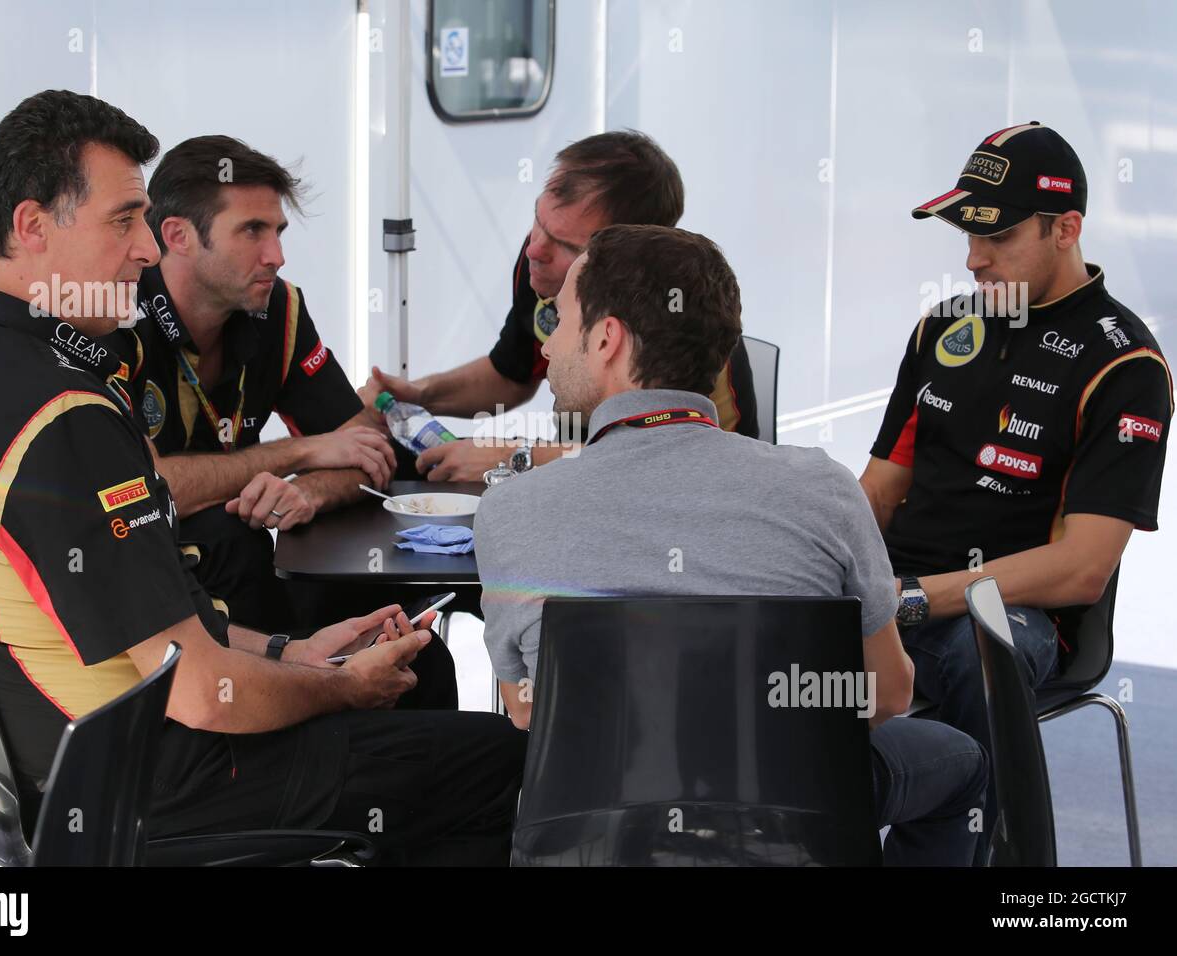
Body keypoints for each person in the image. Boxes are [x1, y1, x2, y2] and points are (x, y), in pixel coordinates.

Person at [0, 89, 524, 865]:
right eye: (122, 221)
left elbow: (156, 638)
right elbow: (197, 691)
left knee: (418, 688)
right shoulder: (65, 414)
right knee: (498, 759)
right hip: (146, 790)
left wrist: (299, 652)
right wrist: (343, 686)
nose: (147, 250)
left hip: (58, 777)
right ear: (30, 227)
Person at [474, 224, 987, 866]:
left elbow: (530, 716)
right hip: (791, 836)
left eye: (562, 321)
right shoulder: (824, 491)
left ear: (607, 340)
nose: (547, 345)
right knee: (964, 760)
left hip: (595, 842)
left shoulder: (511, 511)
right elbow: (887, 694)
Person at [862, 122, 1172, 857]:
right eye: (966, 236)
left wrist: (912, 596)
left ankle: (986, 855)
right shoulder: (944, 328)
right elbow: (876, 492)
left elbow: (1082, 568)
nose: (973, 260)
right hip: (901, 592)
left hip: (1022, 618)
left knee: (981, 649)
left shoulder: (1126, 366)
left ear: (1066, 228)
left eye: (996, 238)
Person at [109, 135, 398, 633]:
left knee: (419, 654)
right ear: (177, 236)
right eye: (252, 231)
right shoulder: (116, 320)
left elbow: (368, 448)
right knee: (232, 542)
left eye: (278, 231)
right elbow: (149, 489)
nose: (277, 256)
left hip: (248, 578)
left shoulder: (277, 309)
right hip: (148, 596)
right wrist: (298, 455)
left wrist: (310, 492)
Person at [360, 130, 760, 482]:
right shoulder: (542, 259)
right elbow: (513, 373)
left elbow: (667, 466)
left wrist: (514, 457)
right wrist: (421, 394)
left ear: (626, 255)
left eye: (568, 246)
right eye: (538, 221)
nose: (535, 249)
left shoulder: (674, 321)